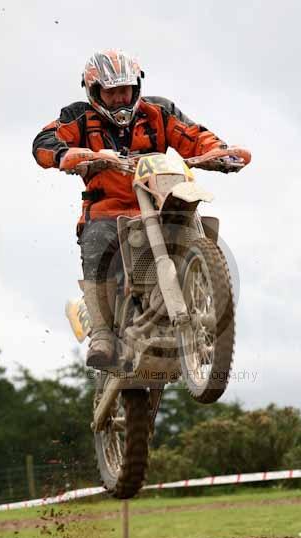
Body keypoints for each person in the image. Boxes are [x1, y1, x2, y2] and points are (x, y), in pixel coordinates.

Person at [32, 49, 239, 369]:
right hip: (107, 209)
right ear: (95, 92)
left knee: (191, 217)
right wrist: (65, 155)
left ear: (136, 87)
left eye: (125, 90)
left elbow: (195, 136)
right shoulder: (79, 117)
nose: (119, 98)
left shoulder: (159, 111)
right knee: (98, 238)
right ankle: (102, 332)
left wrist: (221, 152)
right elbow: (45, 140)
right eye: (111, 92)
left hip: (158, 201)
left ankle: (197, 293)